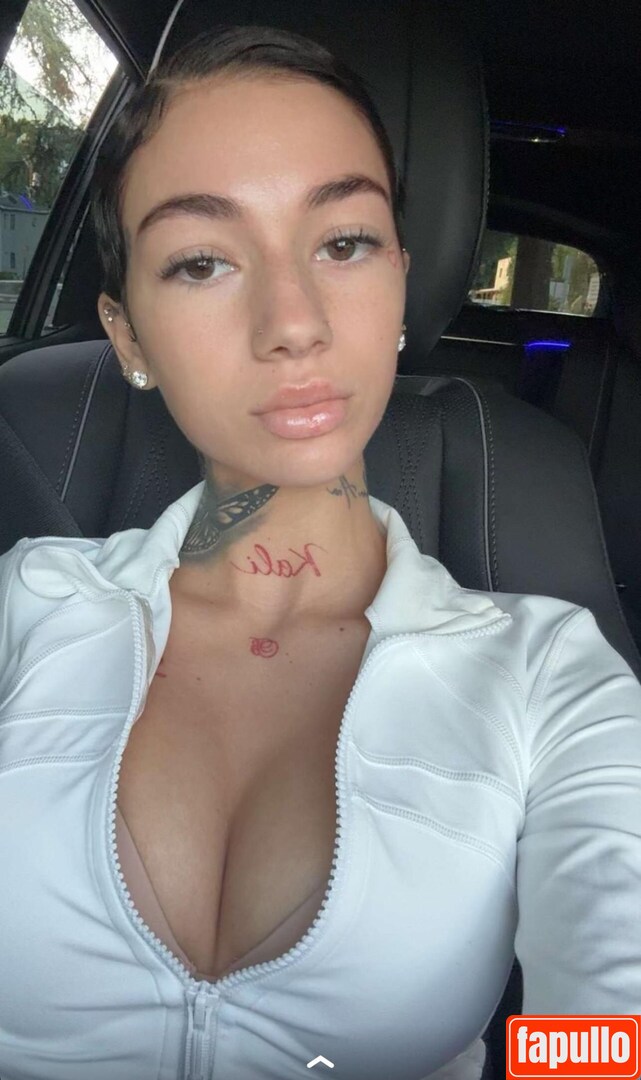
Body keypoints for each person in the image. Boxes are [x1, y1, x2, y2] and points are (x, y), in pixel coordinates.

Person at [0, 22, 640, 1080]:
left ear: (399, 284)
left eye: (342, 244)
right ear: (127, 337)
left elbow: (606, 1032)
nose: (292, 322)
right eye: (202, 261)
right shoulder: (24, 610)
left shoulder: (550, 678)